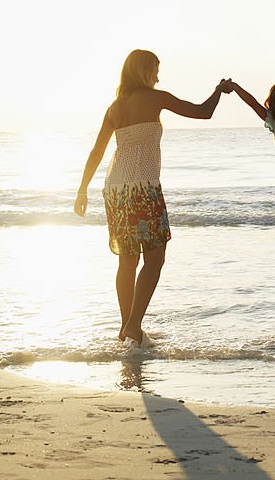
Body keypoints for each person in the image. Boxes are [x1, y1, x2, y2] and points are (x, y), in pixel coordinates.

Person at [74, 49, 231, 349]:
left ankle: (128, 328)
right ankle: (133, 325)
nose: (158, 77)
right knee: (154, 260)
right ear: (144, 71)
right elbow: (203, 112)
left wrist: (82, 189)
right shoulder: (155, 98)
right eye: (155, 71)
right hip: (143, 188)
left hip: (116, 189)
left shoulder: (114, 107)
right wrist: (218, 91)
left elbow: (97, 152)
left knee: (127, 261)